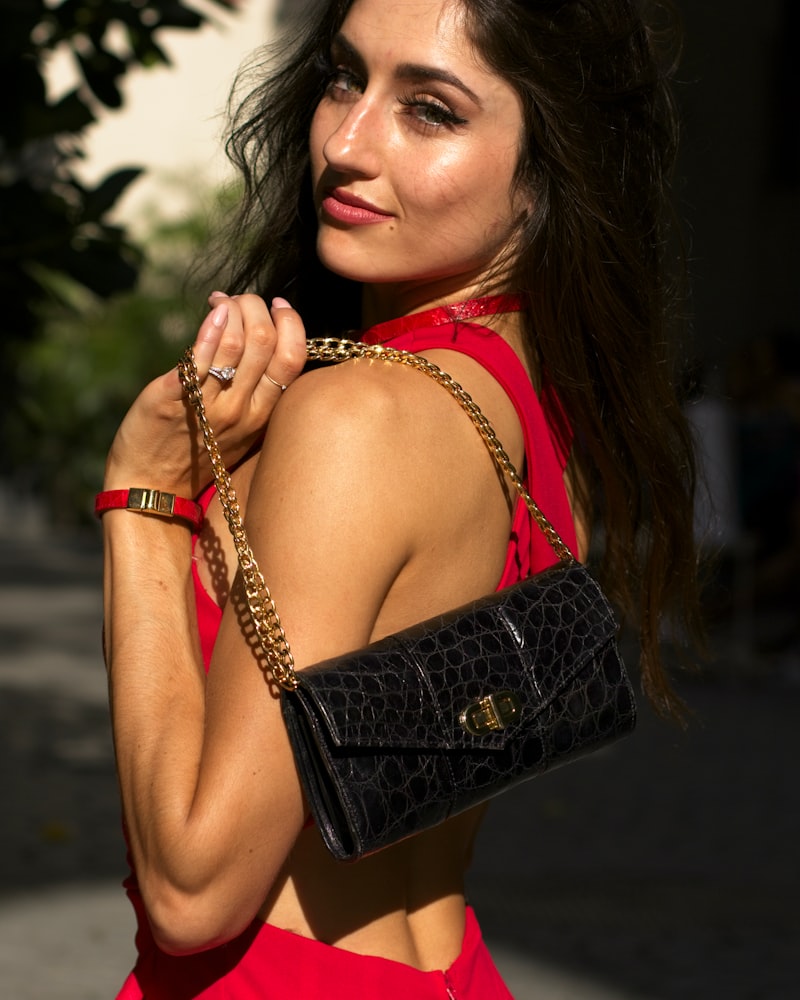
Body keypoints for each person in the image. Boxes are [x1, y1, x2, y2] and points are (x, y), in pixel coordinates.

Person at [99, 0, 702, 996]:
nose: (345, 141)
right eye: (343, 76)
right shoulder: (535, 411)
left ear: (546, 172)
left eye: (429, 111)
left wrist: (141, 502)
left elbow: (194, 891)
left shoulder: (360, 418)